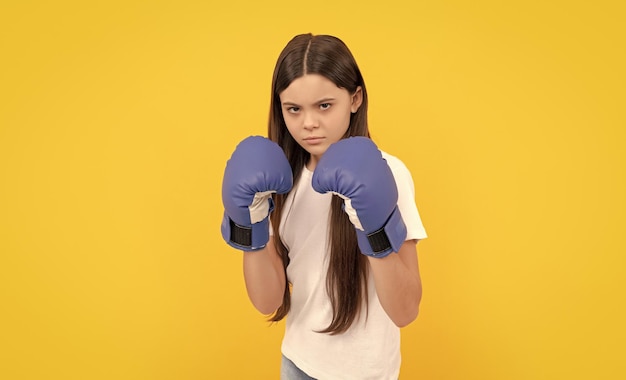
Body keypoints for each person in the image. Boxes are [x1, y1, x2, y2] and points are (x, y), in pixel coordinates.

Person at [221, 33, 427, 380]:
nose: (309, 123)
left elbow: (406, 310)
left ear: (355, 98)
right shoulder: (276, 180)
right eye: (294, 109)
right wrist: (251, 219)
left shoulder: (390, 174)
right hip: (298, 364)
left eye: (325, 105)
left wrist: (373, 229)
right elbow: (267, 302)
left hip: (366, 373)